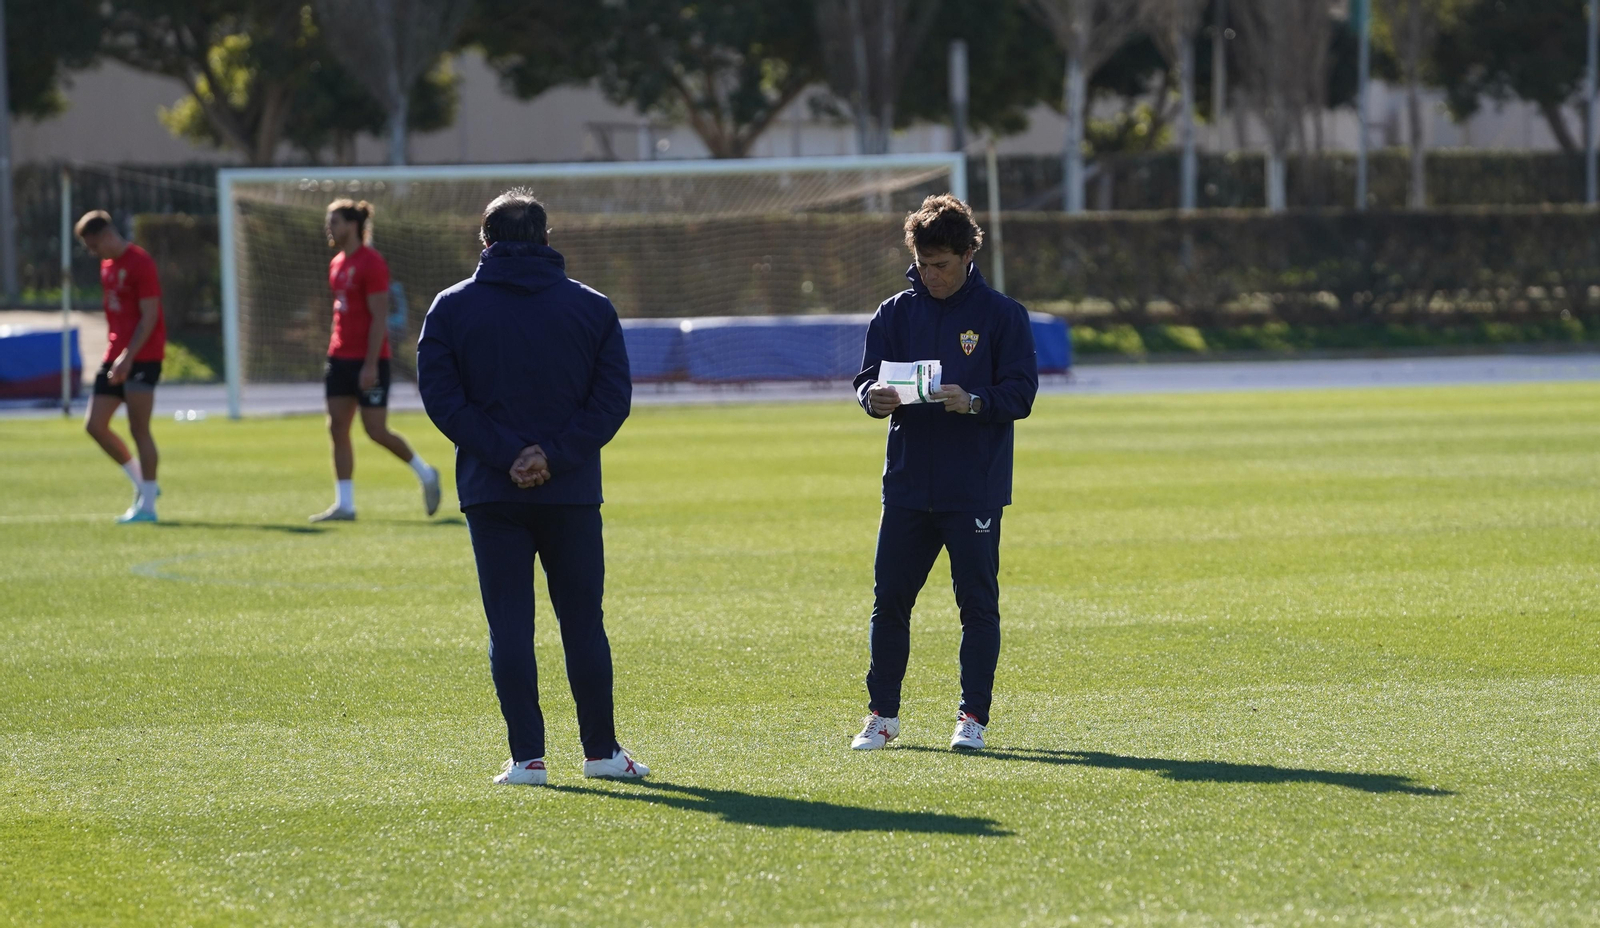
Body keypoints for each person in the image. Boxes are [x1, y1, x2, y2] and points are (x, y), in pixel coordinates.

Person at [417, 189, 648, 786]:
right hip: (570, 490)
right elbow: (611, 401)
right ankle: (600, 752)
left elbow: (443, 400)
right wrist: (555, 455)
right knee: (582, 621)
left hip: (491, 491)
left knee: (510, 626)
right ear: (546, 239)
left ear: (485, 243)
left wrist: (506, 455)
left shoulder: (450, 308)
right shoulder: (592, 308)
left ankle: (527, 759)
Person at [849, 194, 1039, 753]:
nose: (931, 276)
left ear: (968, 255)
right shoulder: (894, 313)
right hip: (907, 482)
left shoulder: (1002, 315)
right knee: (890, 603)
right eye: (924, 265)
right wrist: (872, 399)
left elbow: (1022, 393)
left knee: (976, 605)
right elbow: (864, 380)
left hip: (972, 484)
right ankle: (882, 717)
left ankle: (972, 719)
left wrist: (975, 401)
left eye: (943, 266)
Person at [311, 198, 441, 522]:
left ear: (353, 225)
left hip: (368, 360)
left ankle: (426, 473)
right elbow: (339, 314)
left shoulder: (372, 263)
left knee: (375, 430)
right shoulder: (336, 264)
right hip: (338, 357)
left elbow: (379, 317)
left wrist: (370, 365)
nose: (330, 227)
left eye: (335, 221)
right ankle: (345, 504)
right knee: (337, 427)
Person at [76, 211, 165, 523]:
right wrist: (117, 354)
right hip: (115, 355)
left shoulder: (141, 263)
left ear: (106, 236)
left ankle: (149, 506)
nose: (93, 252)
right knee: (95, 425)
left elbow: (149, 315)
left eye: (93, 245)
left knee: (139, 428)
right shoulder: (107, 267)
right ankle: (144, 483)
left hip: (143, 356)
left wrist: (128, 357)